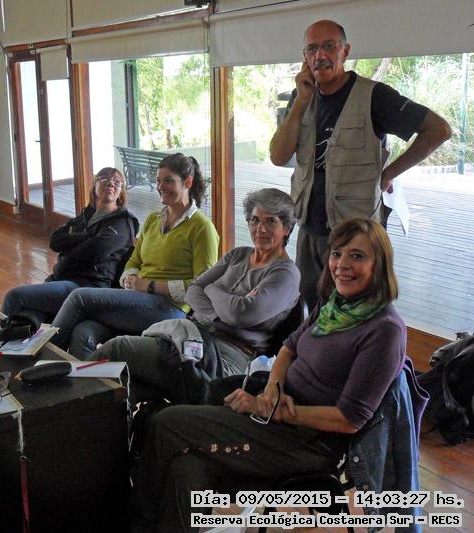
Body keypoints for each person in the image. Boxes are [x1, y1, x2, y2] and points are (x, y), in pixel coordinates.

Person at [132, 218, 421, 531]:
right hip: (275, 420)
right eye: (337, 254)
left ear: (380, 264)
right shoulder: (336, 305)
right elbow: (287, 349)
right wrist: (272, 392)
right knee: (187, 468)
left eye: (357, 256)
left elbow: (349, 419)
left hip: (308, 444)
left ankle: (138, 524)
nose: (342, 265)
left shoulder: (384, 330)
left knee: (166, 423)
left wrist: (273, 411)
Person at [269, 19, 451, 310]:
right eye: (312, 49)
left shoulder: (374, 96)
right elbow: (278, 156)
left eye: (329, 46)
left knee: (356, 314)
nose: (320, 55)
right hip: (309, 230)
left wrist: (389, 173)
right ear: (304, 57)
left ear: (345, 51)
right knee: (314, 311)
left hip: (357, 237)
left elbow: (439, 129)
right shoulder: (301, 96)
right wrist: (301, 101)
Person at [94, 188, 300, 405]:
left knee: (118, 348)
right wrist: (223, 312)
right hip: (191, 337)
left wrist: (212, 290)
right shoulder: (238, 255)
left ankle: (72, 396)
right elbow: (193, 290)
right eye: (255, 220)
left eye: (271, 222)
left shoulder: (285, 274)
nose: (261, 229)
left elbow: (241, 314)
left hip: (226, 358)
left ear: (286, 228)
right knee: (128, 385)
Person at [51, 153, 219, 359]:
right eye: (158, 180)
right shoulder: (153, 219)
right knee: (83, 332)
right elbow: (134, 261)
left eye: (168, 181)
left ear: (188, 182)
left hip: (169, 308)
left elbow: (201, 288)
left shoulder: (202, 228)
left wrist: (149, 285)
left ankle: (43, 362)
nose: (160, 187)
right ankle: (85, 380)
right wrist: (129, 279)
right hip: (138, 299)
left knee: (79, 297)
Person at [1, 167, 139, 324]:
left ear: (121, 192)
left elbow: (94, 252)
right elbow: (55, 241)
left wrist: (68, 246)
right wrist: (88, 236)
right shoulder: (87, 214)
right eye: (105, 179)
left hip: (86, 286)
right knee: (27, 317)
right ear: (94, 185)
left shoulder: (122, 223)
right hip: (60, 278)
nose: (111, 184)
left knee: (14, 297)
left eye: (117, 182)